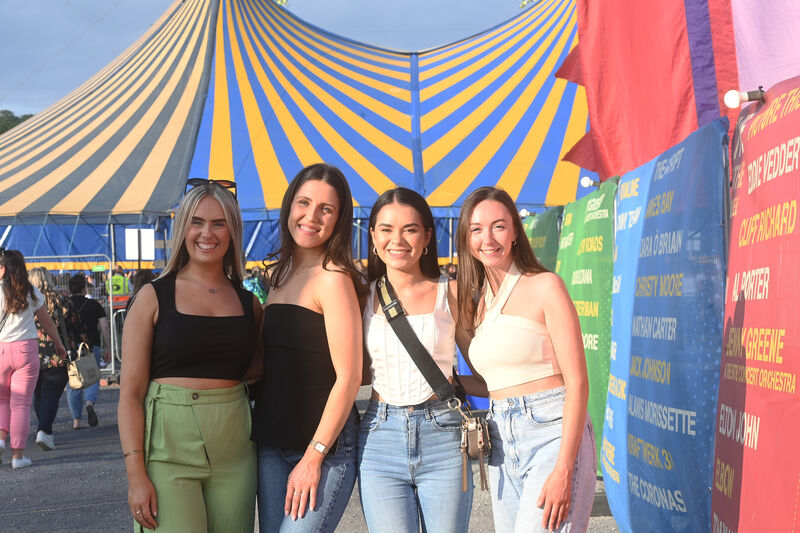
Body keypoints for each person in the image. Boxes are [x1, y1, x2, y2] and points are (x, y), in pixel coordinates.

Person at [118, 180, 263, 532]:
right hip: (169, 448)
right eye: (197, 222)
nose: (207, 233)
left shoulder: (250, 304)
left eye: (219, 223)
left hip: (236, 449)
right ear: (183, 228)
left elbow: (260, 371)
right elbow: (130, 395)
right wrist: (136, 474)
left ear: (233, 231)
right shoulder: (153, 298)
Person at [456, 187, 596, 533]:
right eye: (476, 229)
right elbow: (495, 385)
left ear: (516, 231)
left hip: (551, 434)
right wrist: (451, 385)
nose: (487, 238)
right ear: (466, 237)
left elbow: (577, 383)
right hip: (501, 438)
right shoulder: (478, 303)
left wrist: (564, 467)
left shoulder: (546, 286)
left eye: (498, 226)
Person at [252, 163, 364, 532]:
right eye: (303, 202)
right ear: (289, 207)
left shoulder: (334, 278)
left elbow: (349, 378)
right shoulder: (279, 275)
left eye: (326, 209)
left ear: (338, 220)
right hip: (272, 440)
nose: (311, 216)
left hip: (323, 447)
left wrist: (314, 456)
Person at [358, 188, 475, 532]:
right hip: (380, 435)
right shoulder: (360, 296)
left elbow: (483, 368)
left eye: (409, 229)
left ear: (426, 236)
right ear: (373, 236)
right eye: (386, 229)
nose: (398, 239)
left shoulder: (451, 292)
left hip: (445, 434)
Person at [0, 250, 66, 469]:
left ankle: (0, 439)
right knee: (21, 404)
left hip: (1, 350)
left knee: (2, 400)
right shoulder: (32, 292)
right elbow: (47, 323)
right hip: (26, 350)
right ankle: (18, 457)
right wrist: (58, 344)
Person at [30, 268, 87, 450]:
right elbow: (76, 325)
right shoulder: (62, 300)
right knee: (51, 394)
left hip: (31, 353)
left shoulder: (26, 300)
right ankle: (44, 430)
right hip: (57, 353)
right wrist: (85, 343)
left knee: (38, 394)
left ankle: (44, 429)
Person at [68, 273, 110, 428]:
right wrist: (108, 346)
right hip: (92, 345)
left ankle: (76, 420)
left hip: (71, 347)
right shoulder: (94, 304)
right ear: (84, 288)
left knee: (74, 382)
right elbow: (104, 326)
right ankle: (90, 403)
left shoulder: (65, 305)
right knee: (92, 377)